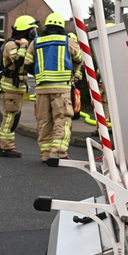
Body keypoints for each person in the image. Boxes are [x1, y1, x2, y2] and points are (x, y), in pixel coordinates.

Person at [27, 13, 83, 164]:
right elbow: (79, 57)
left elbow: (27, 63)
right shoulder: (67, 41)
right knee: (62, 119)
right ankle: (58, 153)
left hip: (41, 88)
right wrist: (76, 73)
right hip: (61, 89)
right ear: (61, 27)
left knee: (44, 121)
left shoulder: (36, 42)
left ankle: (45, 154)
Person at [0, 15, 38, 158]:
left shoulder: (20, 45)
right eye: (31, 30)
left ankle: (1, 143)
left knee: (13, 117)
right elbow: (18, 62)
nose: (33, 33)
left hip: (18, 87)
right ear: (24, 31)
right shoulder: (12, 45)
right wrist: (24, 45)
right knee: (10, 119)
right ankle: (6, 147)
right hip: (11, 88)